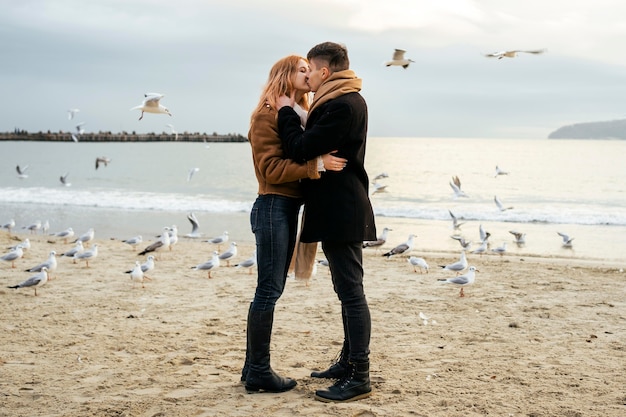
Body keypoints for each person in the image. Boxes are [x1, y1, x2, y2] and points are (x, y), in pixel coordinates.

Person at [276, 42, 377, 403]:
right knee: (347, 290)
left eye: (314, 69)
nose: (311, 77)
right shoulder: (341, 101)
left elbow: (299, 147)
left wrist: (287, 112)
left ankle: (359, 375)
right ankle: (349, 362)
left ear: (326, 71)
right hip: (340, 207)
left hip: (342, 209)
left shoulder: (342, 104)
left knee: (351, 292)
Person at [243, 54, 347, 393]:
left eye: (309, 69)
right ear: (286, 75)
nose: (308, 74)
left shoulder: (297, 115)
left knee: (270, 290)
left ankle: (251, 369)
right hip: (273, 206)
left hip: (286, 208)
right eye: (301, 70)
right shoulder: (266, 115)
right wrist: (315, 164)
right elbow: (271, 169)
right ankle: (258, 370)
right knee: (268, 291)